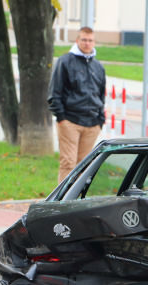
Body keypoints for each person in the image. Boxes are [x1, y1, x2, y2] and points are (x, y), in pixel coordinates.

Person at [48, 27, 106, 183]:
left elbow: (101, 94)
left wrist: (101, 119)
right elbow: (55, 92)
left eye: (90, 40)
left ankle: (77, 203)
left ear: (94, 42)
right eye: (84, 40)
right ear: (77, 41)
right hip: (70, 121)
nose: (87, 43)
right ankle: (63, 202)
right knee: (68, 163)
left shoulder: (98, 67)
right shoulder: (65, 61)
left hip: (92, 124)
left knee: (84, 166)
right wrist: (61, 118)